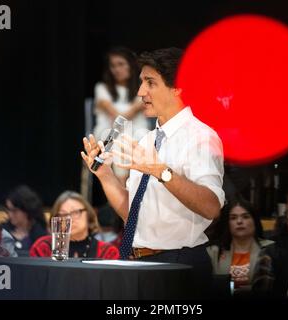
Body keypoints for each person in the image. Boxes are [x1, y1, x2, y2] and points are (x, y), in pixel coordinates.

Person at [81, 47, 225, 297]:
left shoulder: (201, 137)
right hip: (137, 261)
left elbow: (211, 206)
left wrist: (161, 171)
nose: (140, 93)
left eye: (150, 83)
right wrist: (104, 174)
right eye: (141, 83)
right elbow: (131, 211)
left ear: (178, 87)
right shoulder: (147, 140)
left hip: (178, 264)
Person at [93, 47, 150, 185]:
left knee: (127, 138)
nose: (116, 69)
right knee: (120, 139)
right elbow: (120, 118)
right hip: (108, 134)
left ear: (130, 65)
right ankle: (123, 185)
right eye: (113, 66)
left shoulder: (142, 88)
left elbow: (120, 117)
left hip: (137, 133)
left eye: (121, 64)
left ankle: (124, 188)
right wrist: (135, 107)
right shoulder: (102, 88)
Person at [207, 196, 273, 296]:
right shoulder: (213, 252)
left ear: (255, 221)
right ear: (227, 223)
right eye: (233, 218)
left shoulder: (271, 250)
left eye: (245, 216)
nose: (239, 221)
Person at [30, 191, 119, 259]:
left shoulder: (107, 252)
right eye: (63, 214)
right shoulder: (43, 247)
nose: (69, 219)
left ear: (88, 215)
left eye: (76, 212)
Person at [2, 185, 48, 256]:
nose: (10, 214)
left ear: (27, 210)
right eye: (8, 209)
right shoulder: (2, 231)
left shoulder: (41, 235)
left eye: (14, 210)